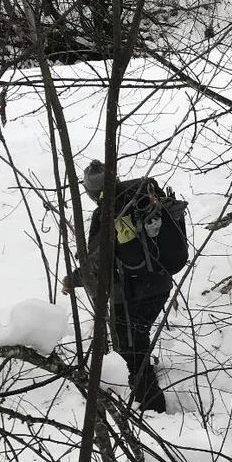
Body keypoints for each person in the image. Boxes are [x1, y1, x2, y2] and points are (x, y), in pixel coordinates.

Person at [62, 160, 170, 413]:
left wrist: (72, 279)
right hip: (161, 283)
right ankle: (140, 396)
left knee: (131, 350)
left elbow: (99, 264)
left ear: (90, 192)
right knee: (137, 340)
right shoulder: (143, 195)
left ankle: (154, 410)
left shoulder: (107, 213)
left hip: (132, 292)